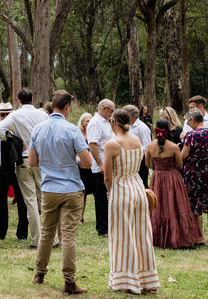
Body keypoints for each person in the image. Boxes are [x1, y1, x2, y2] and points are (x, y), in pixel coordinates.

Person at [30, 90, 93, 292]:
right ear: (67, 107)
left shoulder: (38, 129)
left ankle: (39, 273)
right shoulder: (72, 130)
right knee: (68, 235)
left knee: (47, 233)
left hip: (49, 188)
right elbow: (87, 162)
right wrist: (72, 160)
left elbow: (32, 161)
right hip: (71, 187)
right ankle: (69, 281)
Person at [103, 108, 159, 295]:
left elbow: (108, 176)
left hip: (121, 189)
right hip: (138, 188)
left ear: (115, 123)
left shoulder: (112, 144)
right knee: (141, 234)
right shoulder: (137, 140)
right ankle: (146, 279)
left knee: (122, 236)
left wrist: (110, 192)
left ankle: (125, 280)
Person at [0, 87, 49, 247]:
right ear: (32, 99)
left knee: (30, 201)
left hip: (24, 160)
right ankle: (54, 238)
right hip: (41, 159)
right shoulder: (42, 115)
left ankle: (36, 239)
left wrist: (13, 141)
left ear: (18, 100)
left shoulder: (16, 115)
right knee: (45, 198)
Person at [146, 118, 199, 249]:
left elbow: (147, 164)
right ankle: (177, 235)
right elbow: (180, 165)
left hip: (157, 177)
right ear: (169, 130)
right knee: (175, 204)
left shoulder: (150, 146)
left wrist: (156, 167)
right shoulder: (174, 147)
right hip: (172, 177)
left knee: (158, 206)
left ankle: (157, 236)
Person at [180, 109, 208, 245]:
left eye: (188, 121)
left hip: (194, 173)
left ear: (193, 120)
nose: (188, 124)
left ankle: (200, 237)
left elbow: (183, 155)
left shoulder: (191, 135)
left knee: (195, 204)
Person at [0, 101, 28, 242]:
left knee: (22, 200)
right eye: (2, 114)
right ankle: (0, 232)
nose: (5, 117)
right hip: (1, 168)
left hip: (17, 167)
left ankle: (22, 233)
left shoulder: (19, 131)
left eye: (7, 114)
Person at [86, 99, 116, 236]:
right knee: (102, 197)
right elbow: (93, 144)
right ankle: (103, 228)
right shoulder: (95, 123)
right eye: (112, 110)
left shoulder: (106, 122)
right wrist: (100, 164)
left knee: (109, 195)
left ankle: (110, 225)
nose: (112, 113)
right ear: (104, 109)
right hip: (101, 165)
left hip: (110, 163)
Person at [124, 105, 151, 188]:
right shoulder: (128, 126)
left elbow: (147, 146)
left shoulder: (142, 128)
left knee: (142, 183)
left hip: (140, 160)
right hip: (130, 160)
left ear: (130, 116)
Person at [77, 112, 94, 223]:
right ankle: (80, 217)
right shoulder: (78, 134)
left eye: (91, 120)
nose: (89, 122)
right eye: (87, 120)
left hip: (93, 166)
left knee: (95, 190)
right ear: (82, 123)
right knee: (82, 192)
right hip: (81, 165)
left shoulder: (94, 133)